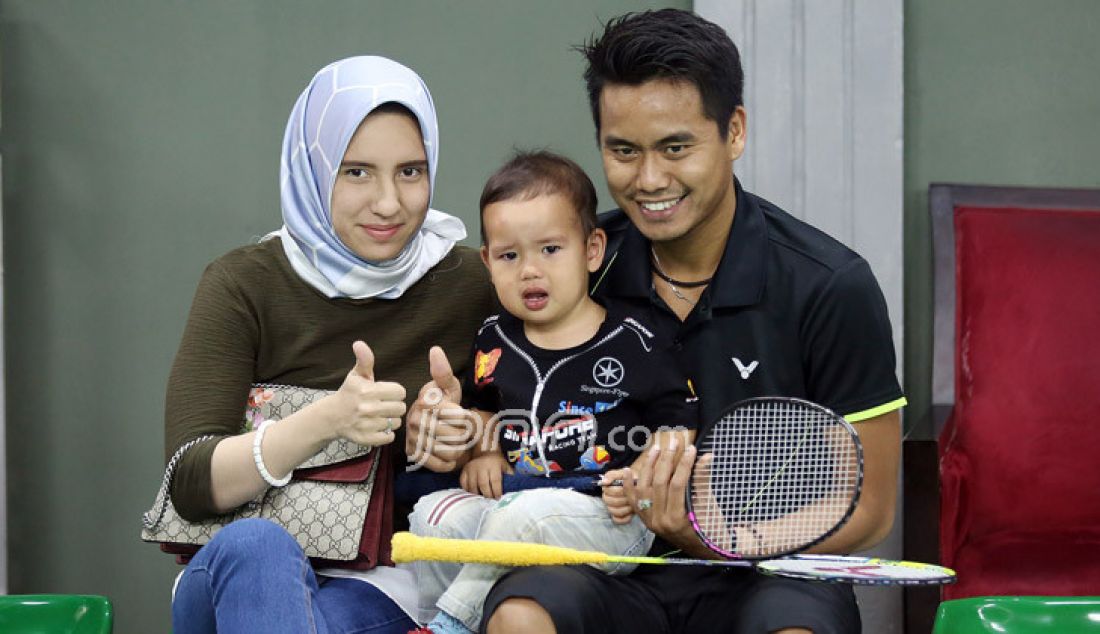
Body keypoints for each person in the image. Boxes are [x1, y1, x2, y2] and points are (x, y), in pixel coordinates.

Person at [408, 9, 906, 634]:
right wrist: (464, 429)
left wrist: (715, 536)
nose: (648, 180)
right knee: (519, 616)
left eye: (676, 147)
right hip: (599, 564)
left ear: (735, 132)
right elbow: (501, 411)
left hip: (762, 574)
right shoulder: (568, 263)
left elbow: (869, 504)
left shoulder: (830, 285)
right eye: (623, 150)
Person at [165, 55, 494, 634]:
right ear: (312, 168)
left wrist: (461, 438)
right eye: (356, 172)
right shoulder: (244, 283)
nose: (390, 202)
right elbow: (189, 481)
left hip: (380, 583)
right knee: (259, 547)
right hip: (229, 573)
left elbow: (549, 425)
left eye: (411, 172)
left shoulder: (474, 281)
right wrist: (329, 421)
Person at [405, 151, 697, 634]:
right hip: (515, 501)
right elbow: (484, 412)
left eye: (550, 249)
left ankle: (449, 625)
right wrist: (484, 450)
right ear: (488, 262)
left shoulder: (636, 340)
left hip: (609, 514)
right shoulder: (493, 338)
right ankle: (441, 618)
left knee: (527, 515)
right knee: (432, 514)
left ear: (591, 249)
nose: (530, 270)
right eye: (509, 255)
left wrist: (645, 481)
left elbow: (679, 424)